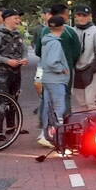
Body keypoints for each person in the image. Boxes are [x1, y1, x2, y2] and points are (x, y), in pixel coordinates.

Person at [0, 9, 29, 139]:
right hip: (2, 72)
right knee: (2, 100)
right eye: (16, 18)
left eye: (18, 18)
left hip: (16, 72)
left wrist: (24, 59)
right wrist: (7, 61)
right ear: (7, 19)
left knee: (14, 98)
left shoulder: (18, 34)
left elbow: (24, 50)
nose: (18, 21)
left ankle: (12, 127)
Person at [37, 16, 70, 148]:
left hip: (47, 79)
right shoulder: (56, 43)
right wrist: (62, 69)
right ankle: (58, 137)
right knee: (58, 109)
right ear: (62, 27)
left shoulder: (47, 41)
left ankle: (47, 135)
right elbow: (52, 62)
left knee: (48, 108)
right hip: (56, 80)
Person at [72, 5, 96, 112]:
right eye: (79, 15)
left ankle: (95, 124)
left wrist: (92, 69)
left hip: (90, 68)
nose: (81, 18)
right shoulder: (72, 31)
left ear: (90, 16)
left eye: (84, 15)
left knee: (91, 101)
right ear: (75, 16)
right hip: (76, 69)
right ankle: (84, 123)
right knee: (80, 101)